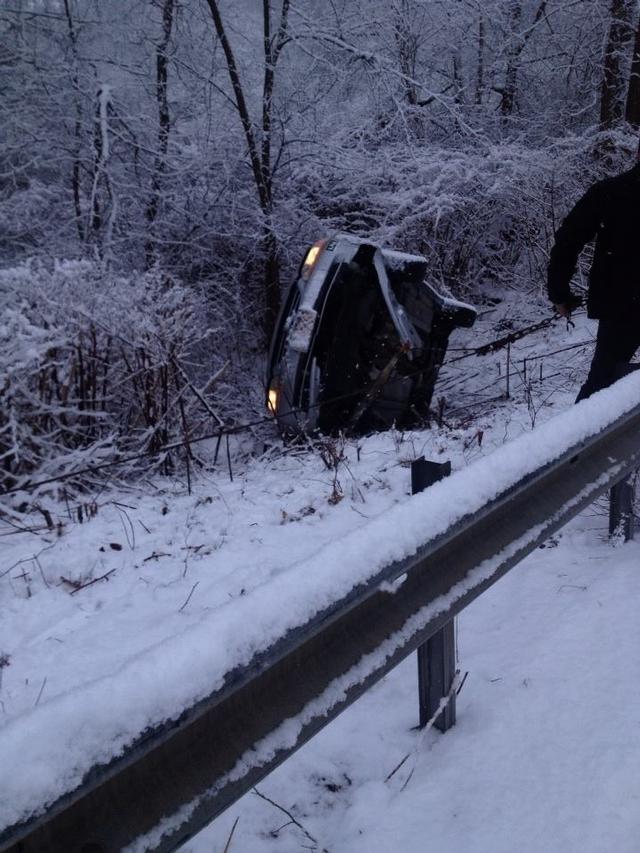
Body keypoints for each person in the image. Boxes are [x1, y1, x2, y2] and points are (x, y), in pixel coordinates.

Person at [547, 154, 640, 402]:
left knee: (601, 386)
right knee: (601, 383)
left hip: (621, 304)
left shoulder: (610, 193)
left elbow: (568, 240)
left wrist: (559, 293)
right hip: (623, 305)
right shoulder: (609, 193)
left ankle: (582, 438)